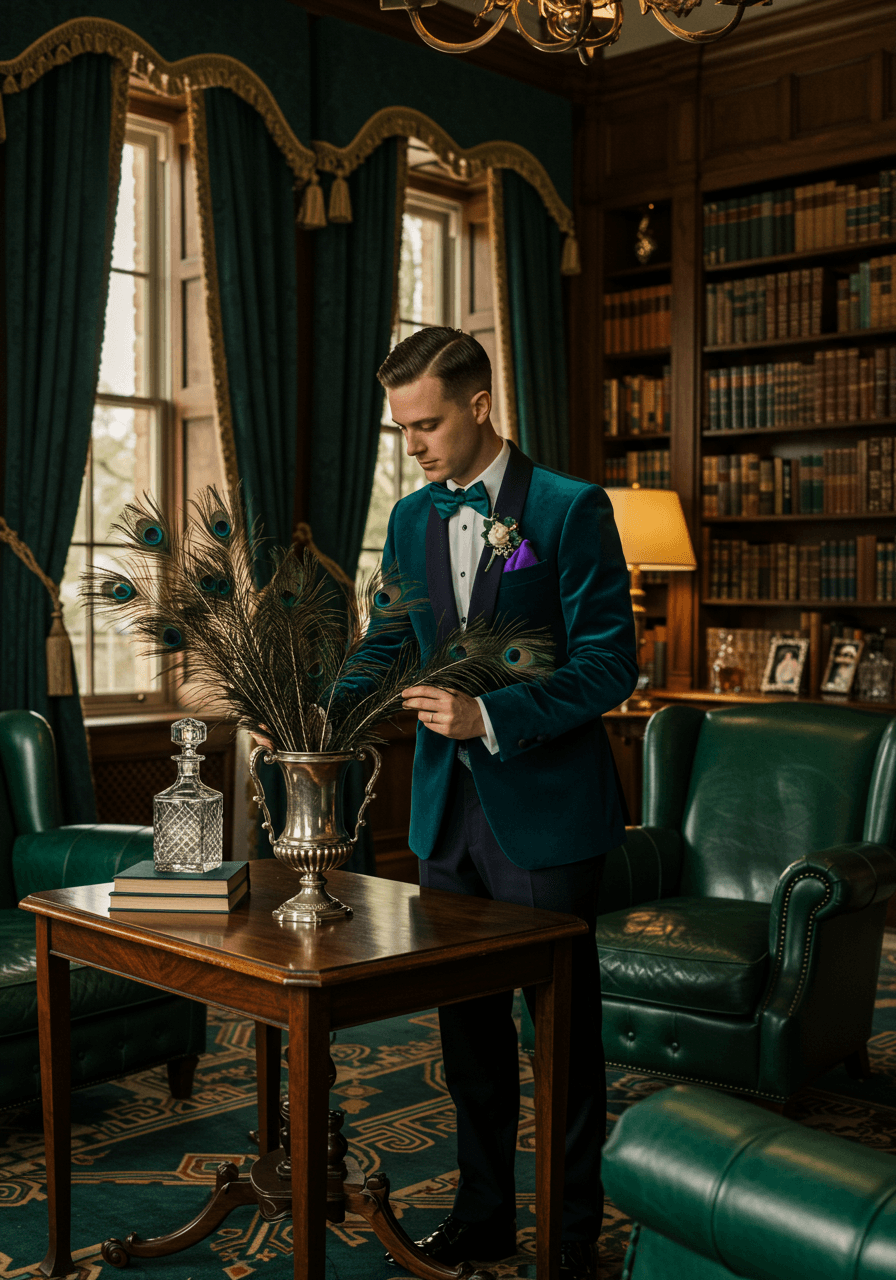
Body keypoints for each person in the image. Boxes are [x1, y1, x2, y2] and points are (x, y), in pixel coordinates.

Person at [361, 326, 638, 1280]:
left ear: (480, 406)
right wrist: (309, 714)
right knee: (467, 1032)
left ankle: (569, 1236)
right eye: (402, 430)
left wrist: (492, 715)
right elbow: (385, 644)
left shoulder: (570, 508)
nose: (415, 446)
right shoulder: (408, 520)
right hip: (444, 819)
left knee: (558, 1039)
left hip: (547, 813)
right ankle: (483, 1214)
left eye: (427, 424)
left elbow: (612, 663)